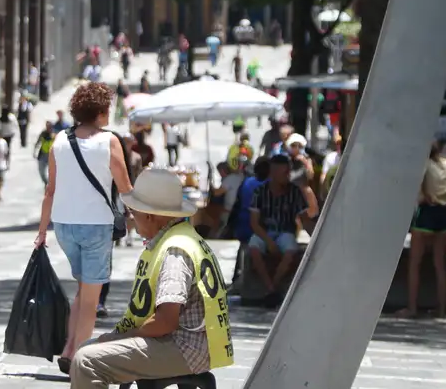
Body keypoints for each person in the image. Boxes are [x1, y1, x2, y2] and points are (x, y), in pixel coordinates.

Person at [69, 168, 235, 389]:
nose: (132, 219)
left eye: (133, 213)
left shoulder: (175, 251)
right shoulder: (182, 237)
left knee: (86, 362)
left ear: (149, 215)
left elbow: (165, 321)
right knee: (87, 348)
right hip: (189, 342)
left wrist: (124, 337)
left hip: (186, 347)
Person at [35, 82, 134, 375]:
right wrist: (144, 221)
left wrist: (42, 231)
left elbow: (50, 191)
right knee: (91, 297)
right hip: (95, 226)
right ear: (101, 112)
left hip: (64, 226)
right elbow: (125, 189)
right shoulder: (110, 141)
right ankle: (80, 357)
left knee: (82, 288)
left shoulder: (60, 141)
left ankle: (68, 348)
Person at [398, 142, 446, 318]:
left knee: (415, 263)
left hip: (426, 214)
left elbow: (418, 187)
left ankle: (412, 307)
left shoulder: (423, 165)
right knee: (439, 264)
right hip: (444, 214)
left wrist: (425, 195)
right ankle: (440, 309)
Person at [248, 153, 315, 305]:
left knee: (291, 250)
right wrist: (268, 241)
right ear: (274, 173)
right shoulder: (260, 192)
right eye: (285, 173)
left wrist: (317, 237)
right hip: (264, 232)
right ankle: (270, 288)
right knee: (254, 248)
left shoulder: (294, 192)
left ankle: (274, 286)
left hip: (285, 232)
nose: (288, 176)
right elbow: (254, 223)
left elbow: (304, 219)